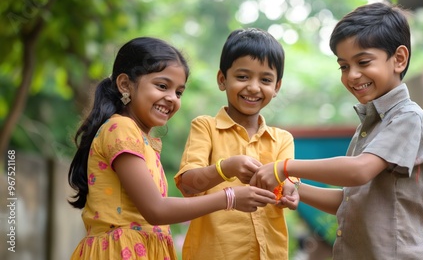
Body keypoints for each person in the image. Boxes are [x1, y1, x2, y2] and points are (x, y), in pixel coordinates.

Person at [251, 2, 423, 259]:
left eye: (363, 61)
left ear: (399, 59)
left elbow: (358, 171)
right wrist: (297, 189)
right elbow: (350, 203)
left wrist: (285, 167)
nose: (353, 75)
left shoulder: (408, 118)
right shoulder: (368, 126)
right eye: (344, 66)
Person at [67, 37, 277, 260]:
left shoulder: (142, 139)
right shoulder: (120, 129)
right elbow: (156, 210)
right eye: (162, 86)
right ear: (125, 84)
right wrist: (230, 197)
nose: (171, 99)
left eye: (179, 92)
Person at [174, 28, 299, 260]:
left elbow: (289, 184)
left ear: (277, 87)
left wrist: (290, 194)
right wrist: (226, 168)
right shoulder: (205, 127)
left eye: (265, 79)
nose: (253, 87)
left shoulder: (282, 139)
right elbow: (188, 185)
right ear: (222, 80)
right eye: (242, 77)